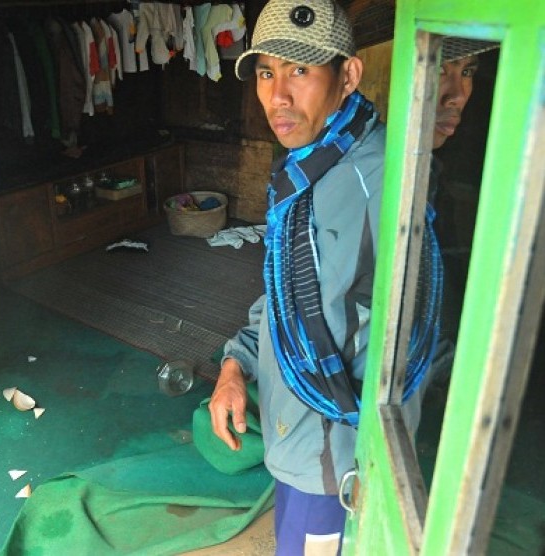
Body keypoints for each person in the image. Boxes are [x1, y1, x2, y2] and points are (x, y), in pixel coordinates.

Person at [206, 1, 495, 554]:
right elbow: (290, 293)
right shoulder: (314, 162)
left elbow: (400, 345)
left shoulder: (387, 180)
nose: (278, 96)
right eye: (267, 72)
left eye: (300, 71)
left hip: (337, 462)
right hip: (296, 442)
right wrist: (235, 364)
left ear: (349, 76)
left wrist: (358, 466)